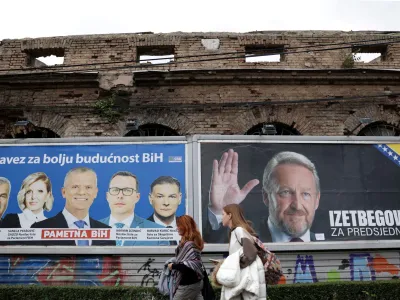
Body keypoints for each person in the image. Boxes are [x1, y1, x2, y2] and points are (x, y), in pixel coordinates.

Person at [207, 149, 321, 243]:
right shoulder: (243, 241)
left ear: (317, 200)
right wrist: (221, 212)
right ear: (266, 197)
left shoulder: (332, 244)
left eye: (306, 194)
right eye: (285, 192)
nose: (297, 205)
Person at [32, 167, 115, 246]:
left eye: (88, 187)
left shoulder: (107, 232)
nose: (81, 192)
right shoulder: (40, 229)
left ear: (95, 192)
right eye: (75, 187)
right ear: (64, 192)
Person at [100, 171, 169, 246]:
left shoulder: (158, 232)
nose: (120, 195)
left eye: (127, 190)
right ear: (107, 196)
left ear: (137, 197)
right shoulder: (91, 229)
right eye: (115, 190)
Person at [219, 204, 266, 300]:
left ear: (230, 215)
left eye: (223, 214)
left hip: (246, 277)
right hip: (245, 276)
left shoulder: (238, 230)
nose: (221, 217)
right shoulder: (236, 231)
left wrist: (235, 265)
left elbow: (251, 253)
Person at [167, 215, 205, 300]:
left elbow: (188, 266)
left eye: (178, 225)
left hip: (188, 284)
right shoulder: (192, 242)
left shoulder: (189, 245)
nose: (177, 228)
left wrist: (172, 266)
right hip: (196, 282)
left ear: (185, 226)